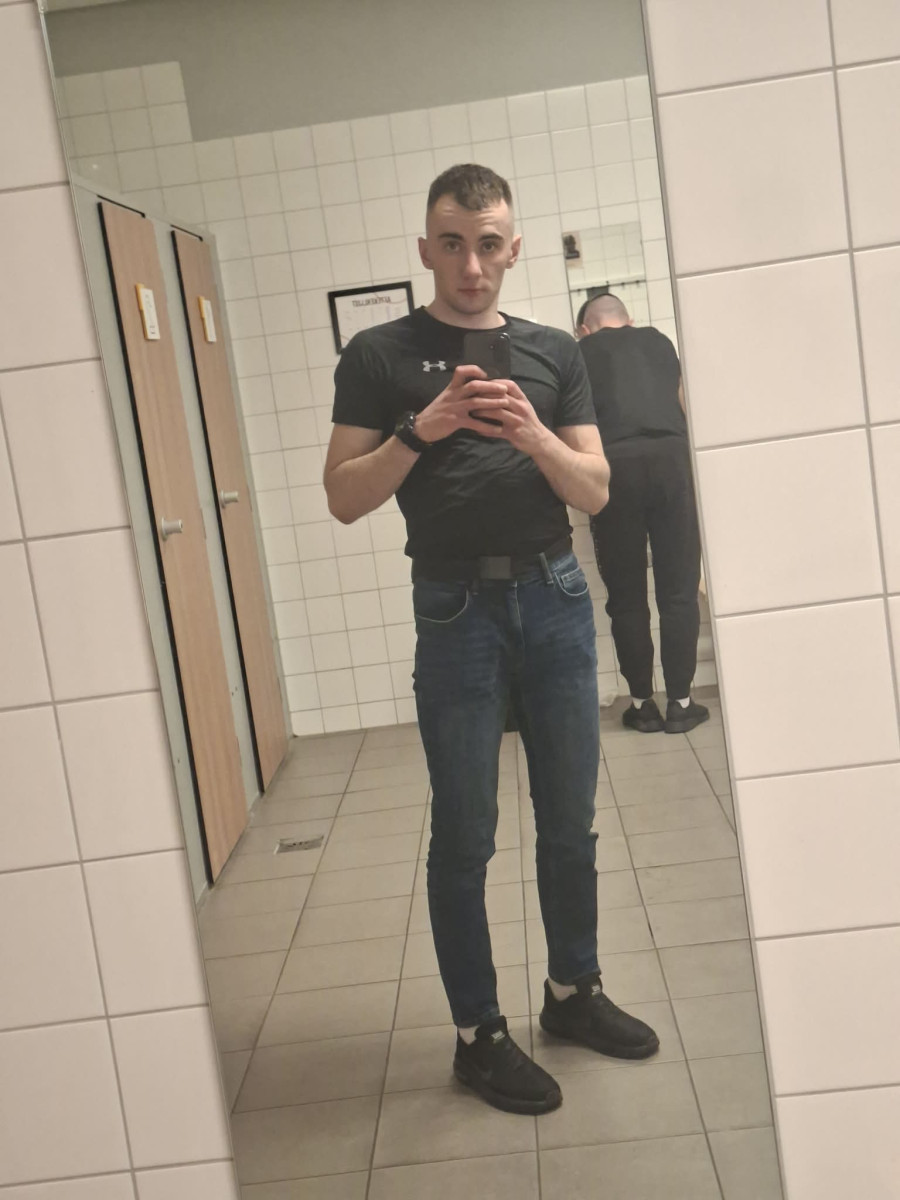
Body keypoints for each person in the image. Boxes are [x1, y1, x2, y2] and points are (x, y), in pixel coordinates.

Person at [324, 166, 659, 1116]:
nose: (471, 266)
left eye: (488, 244)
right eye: (452, 244)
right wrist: (419, 432)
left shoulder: (554, 352)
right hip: (454, 610)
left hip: (554, 595)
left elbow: (594, 489)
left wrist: (535, 437)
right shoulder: (378, 353)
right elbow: (343, 496)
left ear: (513, 249)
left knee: (570, 819)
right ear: (426, 249)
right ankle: (479, 1034)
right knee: (466, 832)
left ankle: (573, 992)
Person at [577, 293, 708, 735]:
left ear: (584, 329)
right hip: (672, 461)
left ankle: (642, 705)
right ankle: (681, 704)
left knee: (627, 596)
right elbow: (684, 404)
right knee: (679, 591)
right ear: (628, 321)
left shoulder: (580, 352)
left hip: (615, 468)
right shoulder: (659, 341)